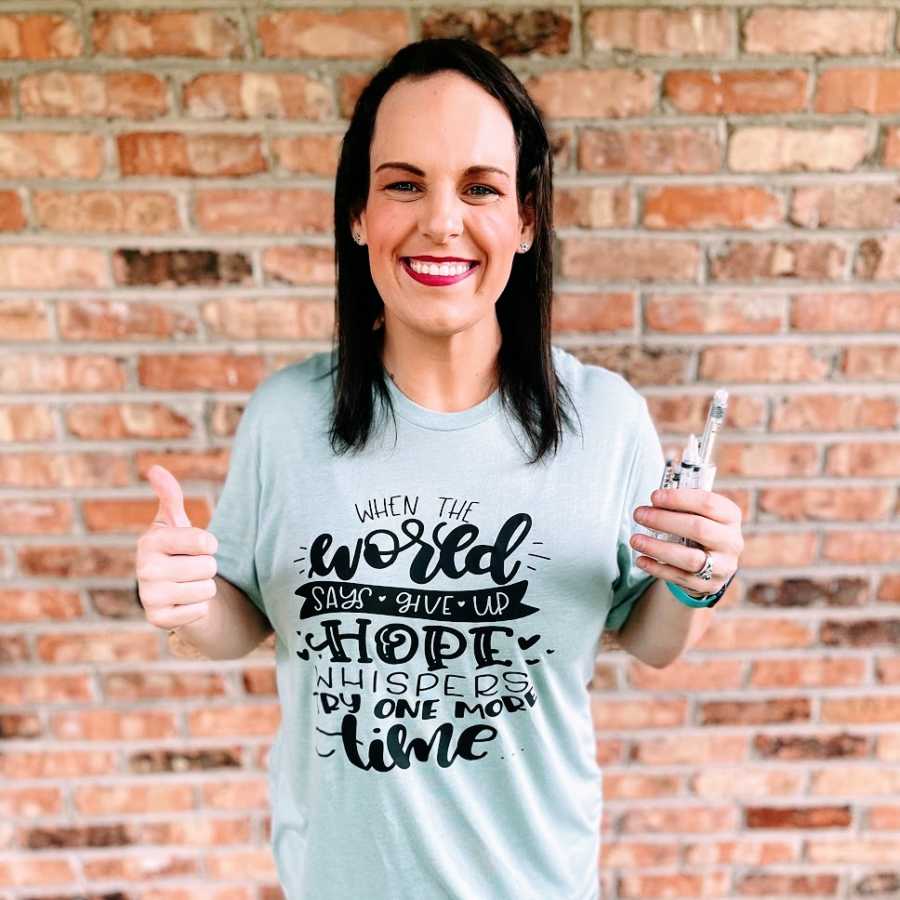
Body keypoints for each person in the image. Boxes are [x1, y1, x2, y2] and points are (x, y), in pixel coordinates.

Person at [135, 37, 743, 900]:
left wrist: (697, 580)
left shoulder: (606, 420)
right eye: (405, 183)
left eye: (481, 187)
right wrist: (184, 604)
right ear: (358, 212)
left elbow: (647, 638)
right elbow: (246, 616)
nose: (442, 221)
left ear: (527, 220)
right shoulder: (284, 415)